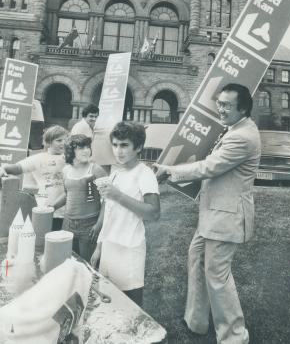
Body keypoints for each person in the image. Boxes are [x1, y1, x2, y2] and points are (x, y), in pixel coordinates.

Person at [154, 83, 261, 344]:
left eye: (227, 105)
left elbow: (209, 167)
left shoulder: (242, 136)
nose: (220, 109)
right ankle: (197, 321)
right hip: (215, 215)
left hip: (226, 217)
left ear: (243, 108)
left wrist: (170, 169)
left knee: (218, 277)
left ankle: (234, 336)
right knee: (197, 259)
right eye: (220, 103)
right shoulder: (237, 129)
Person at [91, 121, 160, 307]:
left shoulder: (145, 174)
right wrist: (99, 246)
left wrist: (118, 195)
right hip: (109, 246)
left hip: (129, 248)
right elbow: (108, 208)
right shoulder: (115, 173)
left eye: (124, 145)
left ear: (138, 147)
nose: (118, 151)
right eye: (115, 145)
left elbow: (153, 213)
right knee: (107, 300)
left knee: (130, 305)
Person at [50, 134, 106, 262]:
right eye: (81, 148)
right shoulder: (66, 171)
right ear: (71, 150)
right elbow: (68, 194)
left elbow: (108, 201)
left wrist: (99, 225)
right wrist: (52, 206)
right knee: (66, 261)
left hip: (89, 225)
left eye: (88, 147)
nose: (86, 150)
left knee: (86, 264)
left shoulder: (96, 170)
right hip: (68, 223)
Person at [0, 125, 68, 230]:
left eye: (65, 140)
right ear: (49, 142)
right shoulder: (38, 158)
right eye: (59, 140)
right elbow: (16, 168)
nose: (63, 143)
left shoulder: (71, 158)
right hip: (46, 208)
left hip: (69, 210)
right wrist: (3, 168)